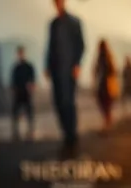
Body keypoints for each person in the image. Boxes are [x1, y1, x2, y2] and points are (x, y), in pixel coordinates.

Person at [45, 0, 85, 154]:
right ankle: (65, 134)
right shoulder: (53, 24)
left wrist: (76, 64)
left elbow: (81, 45)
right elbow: (50, 47)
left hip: (68, 70)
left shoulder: (74, 22)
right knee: (58, 101)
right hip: (56, 70)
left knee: (68, 101)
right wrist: (47, 66)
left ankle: (72, 135)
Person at [10, 46, 37, 141]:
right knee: (15, 112)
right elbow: (13, 81)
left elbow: (33, 79)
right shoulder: (16, 68)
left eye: (21, 53)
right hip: (18, 92)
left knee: (29, 112)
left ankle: (31, 131)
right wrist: (14, 89)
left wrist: (31, 86)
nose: (20, 55)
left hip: (26, 92)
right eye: (19, 53)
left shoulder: (28, 67)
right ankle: (16, 132)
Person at [94, 39, 118, 131]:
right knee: (105, 104)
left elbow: (112, 71)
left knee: (105, 104)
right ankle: (108, 121)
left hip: (106, 85)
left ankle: (107, 123)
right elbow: (96, 70)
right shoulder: (104, 57)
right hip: (105, 84)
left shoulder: (106, 57)